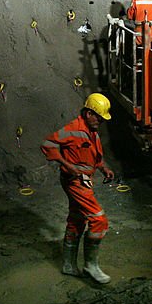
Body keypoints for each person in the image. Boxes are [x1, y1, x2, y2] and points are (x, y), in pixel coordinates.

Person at [40, 92, 117, 284]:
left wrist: (103, 168)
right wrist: (66, 164)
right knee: (99, 220)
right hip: (75, 182)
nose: (100, 121)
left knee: (77, 220)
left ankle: (68, 265)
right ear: (89, 113)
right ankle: (91, 265)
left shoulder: (92, 132)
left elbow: (94, 155)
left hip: (83, 180)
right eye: (98, 117)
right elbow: (47, 144)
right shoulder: (73, 129)